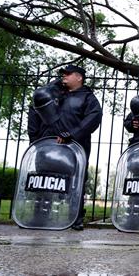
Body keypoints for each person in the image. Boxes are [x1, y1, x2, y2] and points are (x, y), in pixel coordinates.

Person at [27, 64, 102, 230]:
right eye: (63, 74)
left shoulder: (88, 98)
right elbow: (35, 111)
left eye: (68, 74)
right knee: (44, 180)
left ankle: (75, 218)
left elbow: (94, 118)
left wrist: (73, 135)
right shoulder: (52, 92)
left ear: (79, 77)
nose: (64, 76)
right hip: (46, 145)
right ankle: (39, 216)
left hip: (74, 148)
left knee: (76, 181)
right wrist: (35, 139)